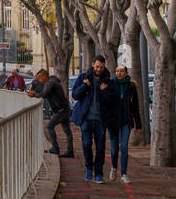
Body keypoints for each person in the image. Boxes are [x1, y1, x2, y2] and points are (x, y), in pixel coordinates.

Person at [71, 56, 119, 184]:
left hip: (100, 120)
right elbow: (75, 95)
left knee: (100, 148)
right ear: (93, 65)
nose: (99, 69)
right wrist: (85, 86)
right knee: (86, 144)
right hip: (86, 119)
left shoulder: (108, 81)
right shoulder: (83, 78)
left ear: (104, 67)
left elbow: (112, 101)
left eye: (101, 67)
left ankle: (98, 173)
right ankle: (88, 168)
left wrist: (105, 91)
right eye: (97, 66)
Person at [110, 64, 142, 184]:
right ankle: (113, 168)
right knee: (114, 149)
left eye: (122, 71)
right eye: (117, 71)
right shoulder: (111, 85)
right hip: (113, 122)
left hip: (126, 122)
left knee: (123, 147)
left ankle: (124, 173)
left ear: (126, 73)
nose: (119, 73)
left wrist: (138, 124)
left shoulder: (131, 87)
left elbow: (135, 107)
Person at [31, 68, 73, 158]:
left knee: (50, 126)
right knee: (67, 130)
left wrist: (33, 94)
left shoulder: (50, 83)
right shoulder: (52, 82)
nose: (39, 80)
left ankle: (55, 148)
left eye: (39, 78)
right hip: (64, 109)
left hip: (61, 111)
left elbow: (44, 94)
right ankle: (70, 151)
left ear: (45, 76)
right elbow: (43, 91)